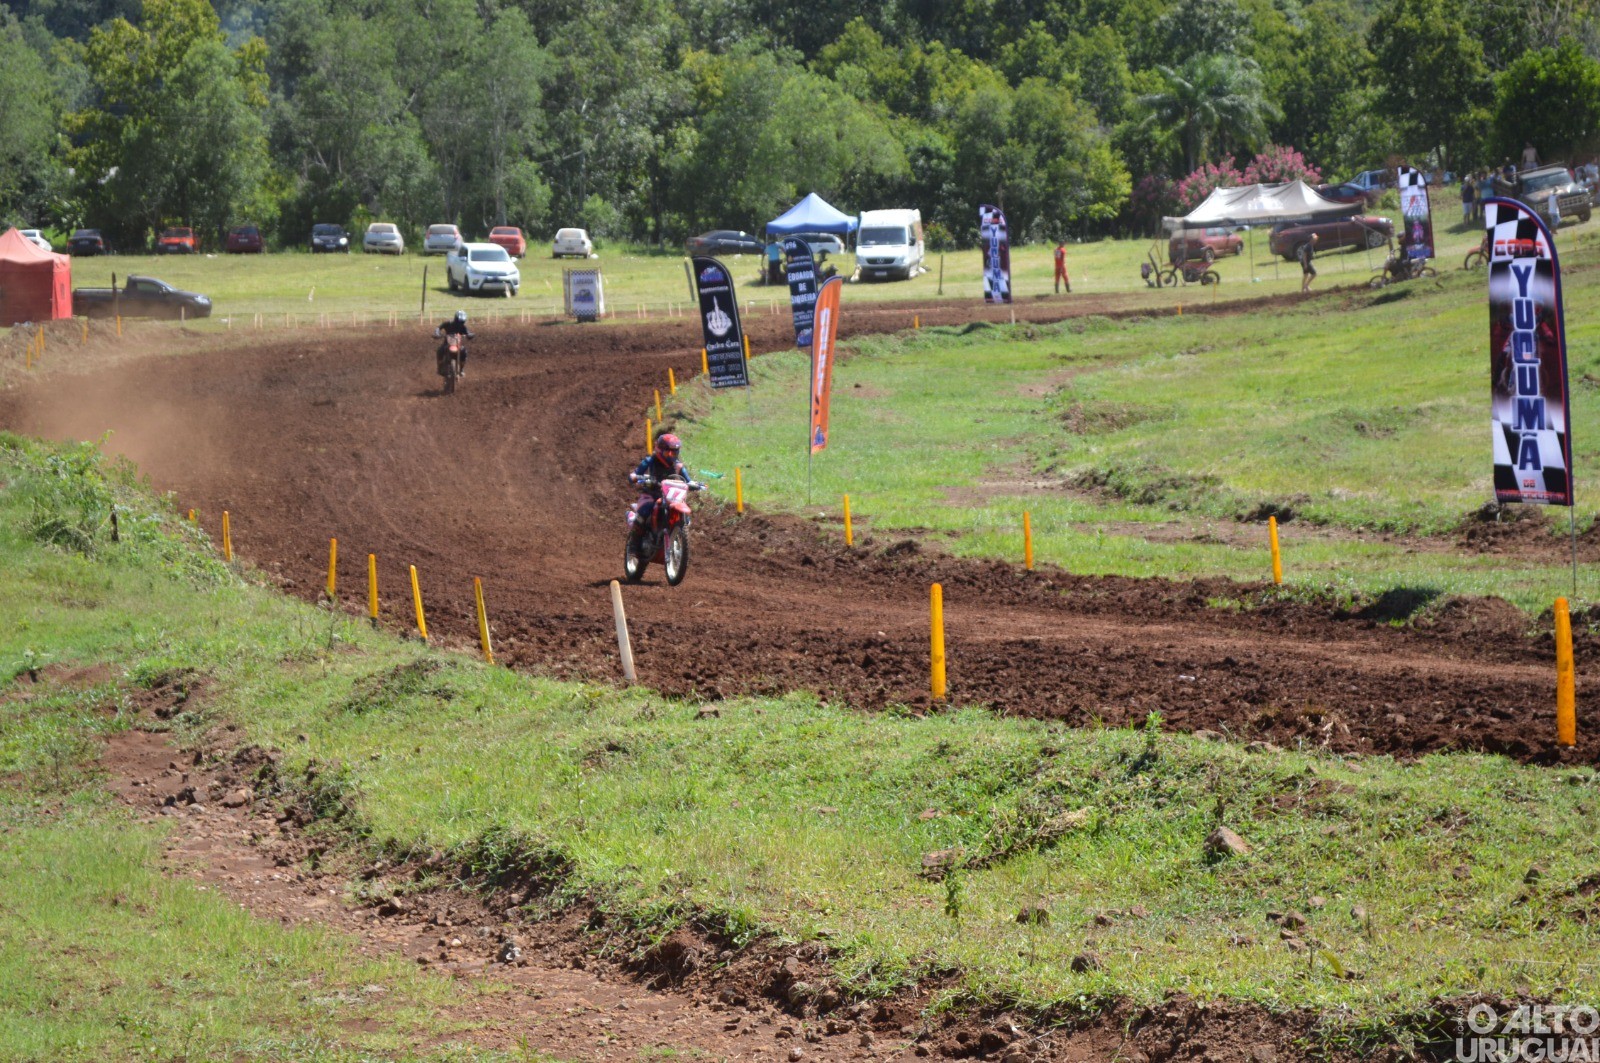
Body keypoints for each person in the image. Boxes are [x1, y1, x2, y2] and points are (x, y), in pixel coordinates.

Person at [628, 432, 688, 543]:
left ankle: (678, 532)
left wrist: (693, 484)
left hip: (670, 496)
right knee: (644, 511)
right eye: (668, 452)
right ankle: (633, 545)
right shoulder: (650, 461)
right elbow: (635, 473)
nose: (671, 456)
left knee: (684, 514)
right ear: (660, 450)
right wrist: (635, 476)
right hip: (651, 494)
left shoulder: (678, 466)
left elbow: (688, 480)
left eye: (674, 453)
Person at [434, 309, 474, 377]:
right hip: (447, 344)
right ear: (455, 319)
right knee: (440, 351)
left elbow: (468, 332)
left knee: (464, 352)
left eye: (461, 322)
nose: (460, 324)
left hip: (457, 345)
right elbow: (438, 328)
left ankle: (461, 369)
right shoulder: (448, 323)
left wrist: (469, 335)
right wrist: (437, 333)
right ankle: (439, 367)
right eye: (459, 322)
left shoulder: (463, 327)